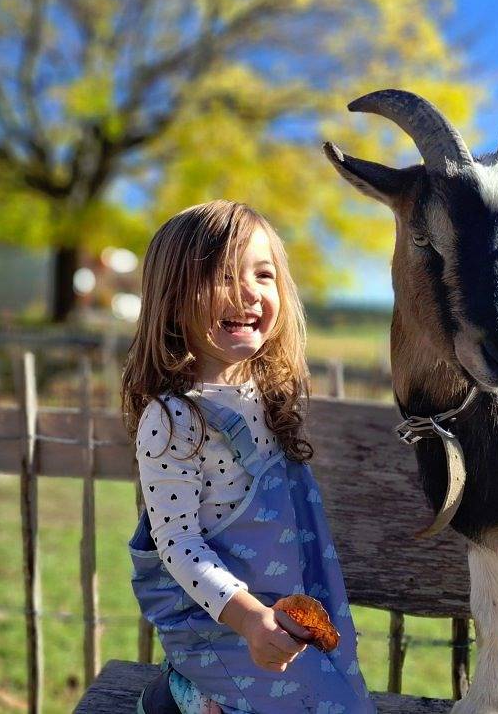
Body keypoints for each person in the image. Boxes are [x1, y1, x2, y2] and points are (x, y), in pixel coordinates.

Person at [121, 200, 375, 714]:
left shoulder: (267, 393)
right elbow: (178, 543)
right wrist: (248, 619)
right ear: (172, 299)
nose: (249, 293)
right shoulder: (173, 420)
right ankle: (184, 693)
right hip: (226, 624)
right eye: (221, 276)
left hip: (284, 618)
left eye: (263, 274)